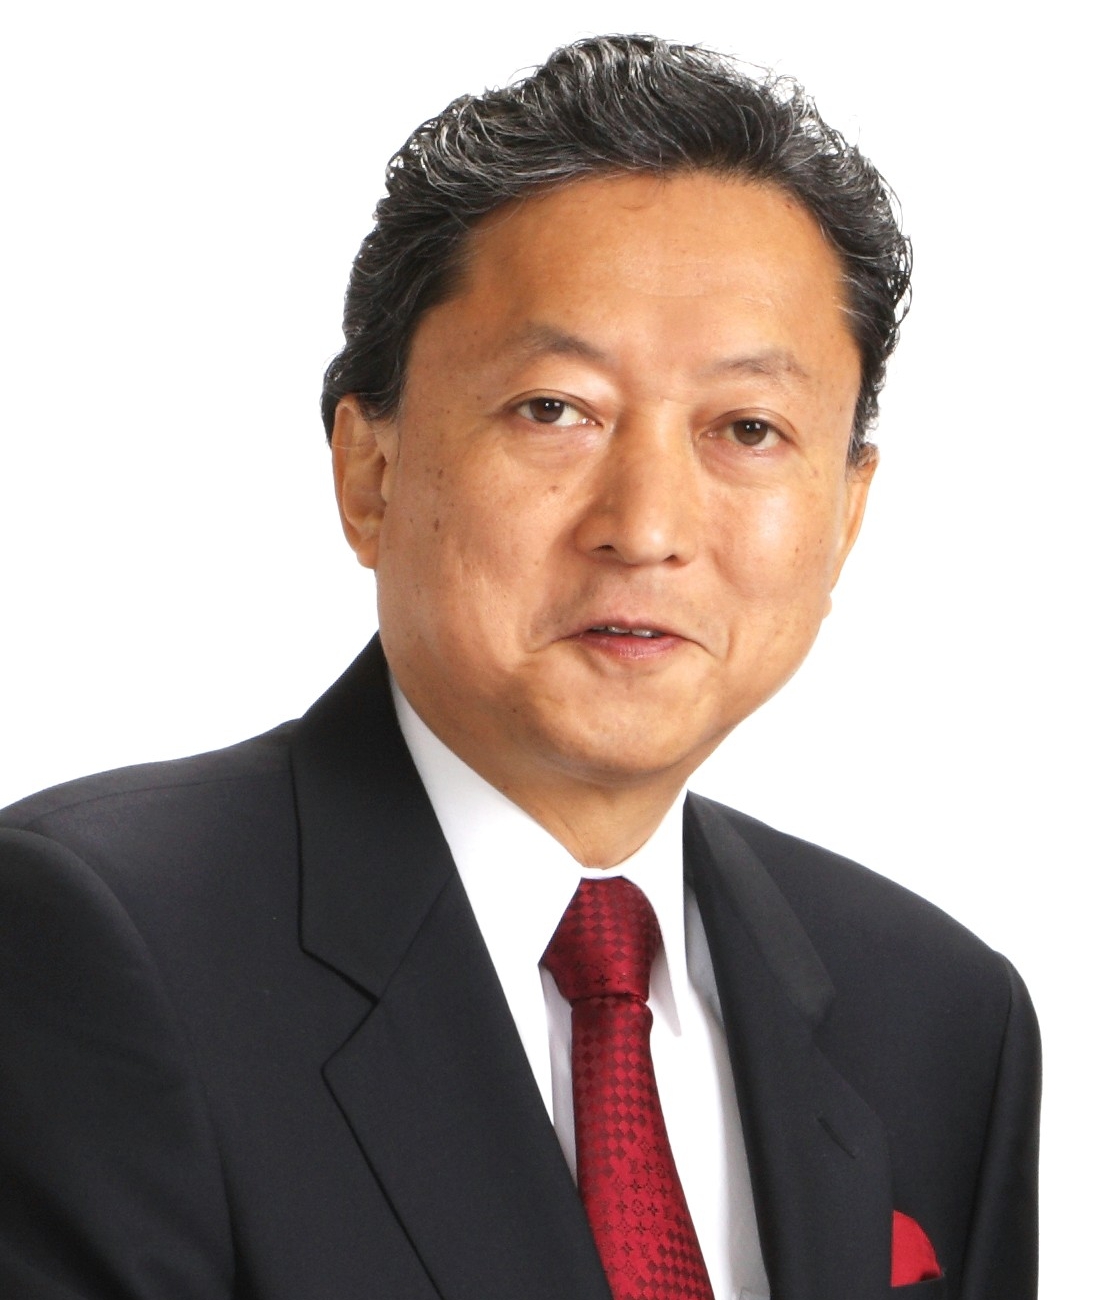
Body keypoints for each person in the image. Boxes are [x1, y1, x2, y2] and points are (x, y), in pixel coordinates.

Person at [0, 34, 1038, 1300]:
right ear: (369, 472)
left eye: (747, 427)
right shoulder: (92, 942)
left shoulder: (936, 1015)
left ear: (846, 513)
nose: (644, 525)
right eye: (556, 409)